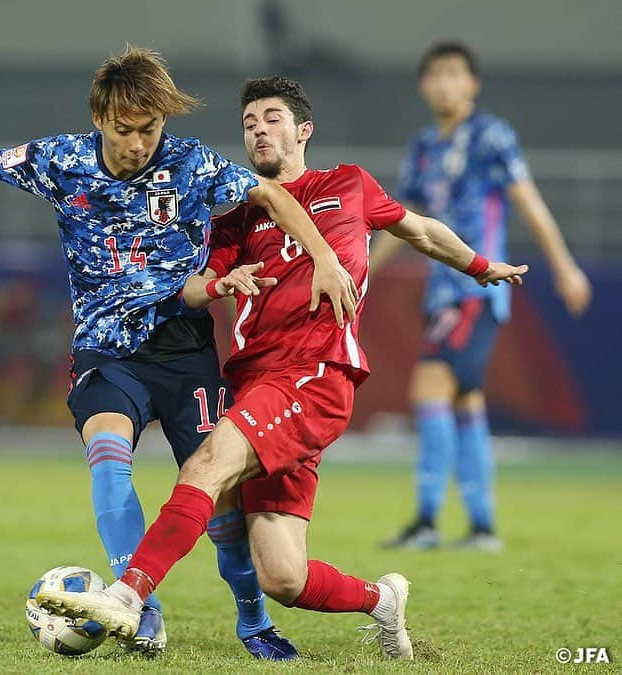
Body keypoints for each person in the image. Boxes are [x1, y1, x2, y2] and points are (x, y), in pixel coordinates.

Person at [0, 46, 358, 659]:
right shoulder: (62, 159)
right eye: (124, 130)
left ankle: (254, 622)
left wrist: (324, 255)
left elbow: (274, 197)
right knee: (109, 454)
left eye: (150, 129)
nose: (138, 144)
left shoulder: (193, 164)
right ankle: (142, 612)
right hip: (105, 353)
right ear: (98, 118)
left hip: (186, 350)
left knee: (218, 505)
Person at [35, 75, 528, 660]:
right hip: (256, 384)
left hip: (314, 373)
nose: (259, 129)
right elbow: (191, 283)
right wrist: (211, 279)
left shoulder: (349, 186)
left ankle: (128, 596)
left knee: (206, 465)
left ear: (302, 130)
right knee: (283, 576)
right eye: (248, 123)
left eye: (271, 118)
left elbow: (418, 230)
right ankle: (381, 601)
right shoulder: (240, 219)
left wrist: (479, 266)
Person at [371, 42, 592, 552]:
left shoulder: (492, 136)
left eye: (455, 74)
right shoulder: (425, 146)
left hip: (476, 288)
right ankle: (482, 527)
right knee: (465, 403)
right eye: (435, 75)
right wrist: (361, 272)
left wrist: (564, 267)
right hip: (441, 293)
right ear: (424, 85)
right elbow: (403, 221)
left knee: (429, 388)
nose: (445, 83)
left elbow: (527, 200)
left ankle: (426, 521)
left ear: (472, 84)